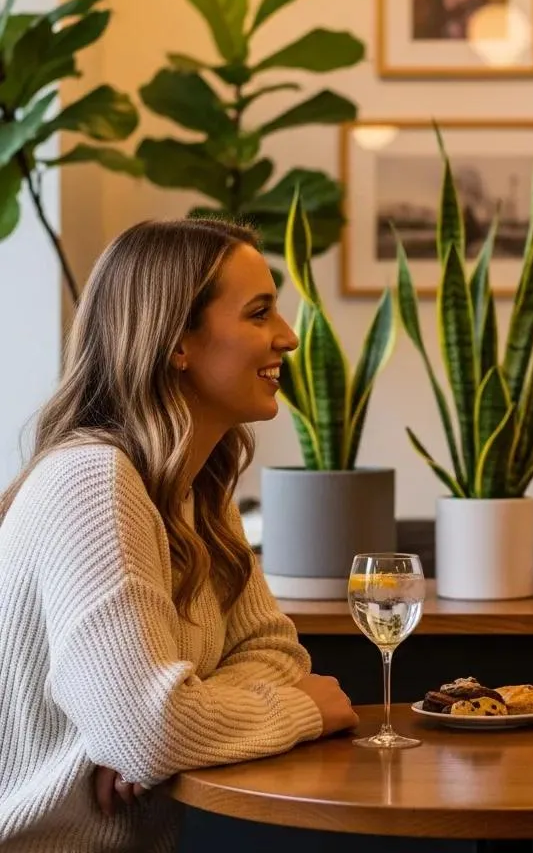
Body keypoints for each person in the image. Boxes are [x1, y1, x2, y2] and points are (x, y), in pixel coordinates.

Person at [0, 219, 359, 852]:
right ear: (177, 344)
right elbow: (152, 729)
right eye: (259, 313)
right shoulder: (93, 480)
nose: (289, 337)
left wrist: (168, 725)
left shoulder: (194, 490)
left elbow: (276, 654)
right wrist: (302, 709)